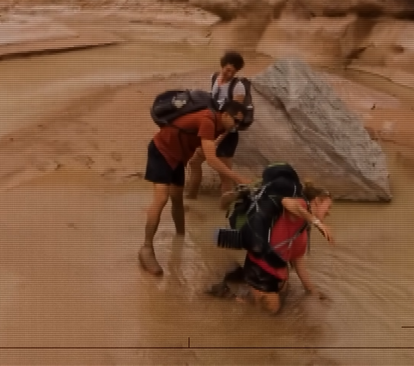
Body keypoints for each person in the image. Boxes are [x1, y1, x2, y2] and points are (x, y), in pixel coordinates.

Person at [140, 100, 252, 276]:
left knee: (177, 199)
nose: (237, 126)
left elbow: (202, 146)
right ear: (225, 114)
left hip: (177, 158)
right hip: (161, 151)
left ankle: (180, 237)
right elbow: (212, 159)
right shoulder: (208, 120)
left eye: (240, 123)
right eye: (236, 121)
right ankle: (146, 248)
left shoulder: (221, 127)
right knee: (161, 198)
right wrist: (238, 178)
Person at [241, 181, 335, 314]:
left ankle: (245, 295)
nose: (329, 212)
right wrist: (317, 222)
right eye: (328, 207)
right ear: (318, 201)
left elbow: (298, 262)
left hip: (276, 275)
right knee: (271, 314)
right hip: (261, 271)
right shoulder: (301, 206)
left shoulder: (303, 228)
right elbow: (286, 202)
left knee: (279, 309)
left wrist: (313, 292)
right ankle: (236, 296)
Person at [186, 51, 247, 200]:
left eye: (232, 71)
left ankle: (228, 210)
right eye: (227, 69)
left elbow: (232, 118)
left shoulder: (238, 87)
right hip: (211, 129)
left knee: (224, 175)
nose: (228, 73)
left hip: (227, 134)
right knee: (194, 162)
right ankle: (191, 197)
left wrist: (218, 140)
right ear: (222, 65)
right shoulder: (214, 77)